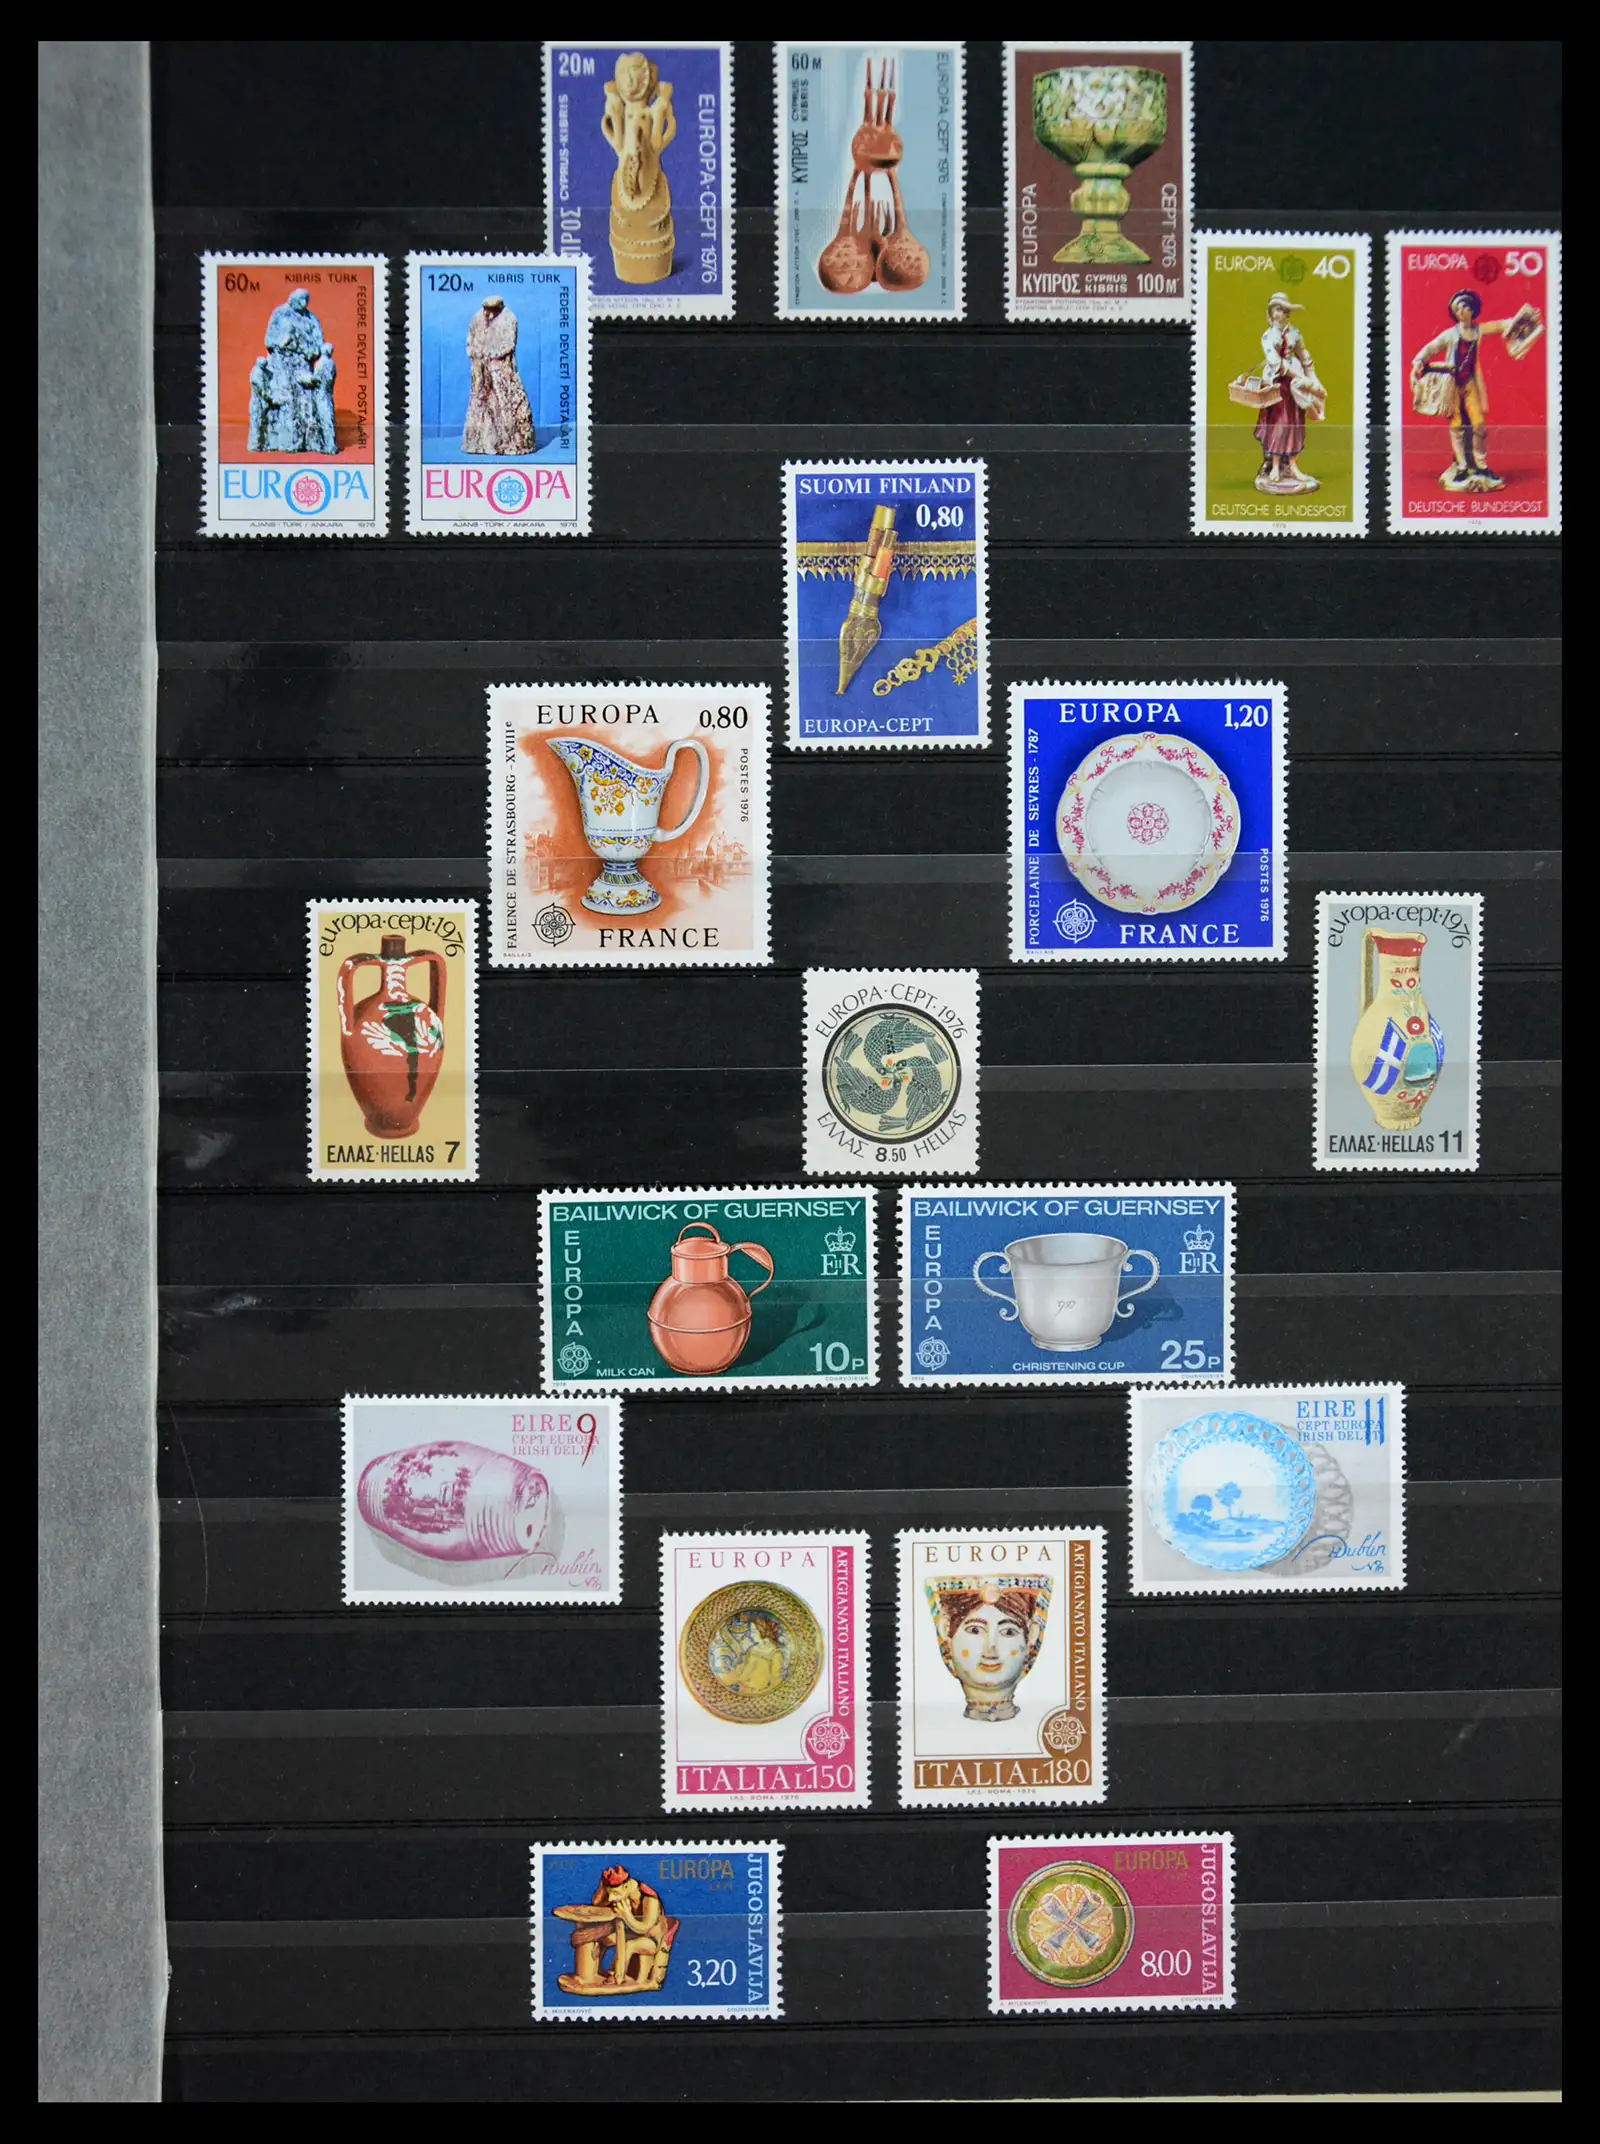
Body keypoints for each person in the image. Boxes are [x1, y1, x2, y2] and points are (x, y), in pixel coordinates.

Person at [1410, 288, 1540, 492]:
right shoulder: (1450, 334)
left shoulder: (1478, 330)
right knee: (1456, 425)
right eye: (1458, 309)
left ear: (1472, 310)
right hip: (1452, 384)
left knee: (1478, 423)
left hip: (1470, 382)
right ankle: (1462, 467)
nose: (1462, 312)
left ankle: (1481, 465)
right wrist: (1418, 361)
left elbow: (1499, 325)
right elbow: (1432, 347)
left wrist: (1519, 321)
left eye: (1464, 307)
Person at [1252, 293, 1326, 494]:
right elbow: (1275, 362)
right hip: (1277, 383)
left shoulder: (1294, 333)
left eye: (1284, 310)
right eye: (1278, 309)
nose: (1282, 313)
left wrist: (1313, 381)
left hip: (1296, 386)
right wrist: (1298, 376)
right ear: (1271, 313)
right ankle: (1275, 465)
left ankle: (1293, 465)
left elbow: (1305, 357)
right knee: (1279, 423)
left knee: (1296, 422)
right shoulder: (1268, 336)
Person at [462, 294, 535, 456]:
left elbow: (509, 344)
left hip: (501, 371)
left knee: (506, 404)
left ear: (499, 309)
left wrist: (492, 354)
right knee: (480, 402)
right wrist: (476, 353)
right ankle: (481, 442)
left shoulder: (509, 319)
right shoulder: (477, 318)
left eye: (491, 310)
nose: (487, 314)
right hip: (481, 370)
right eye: (485, 310)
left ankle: (511, 441)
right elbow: (470, 341)